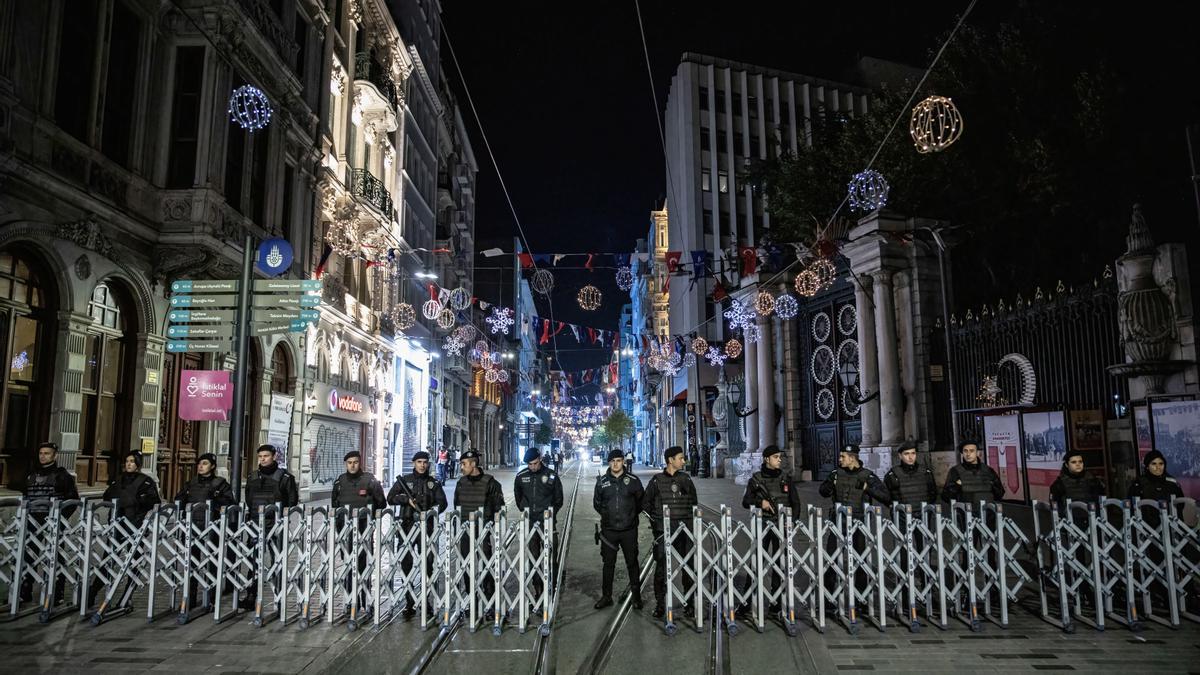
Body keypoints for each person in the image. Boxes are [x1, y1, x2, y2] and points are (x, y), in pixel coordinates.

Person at [740, 445, 801, 616]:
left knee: (781, 563)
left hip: (783, 525)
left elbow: (795, 502)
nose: (779, 459)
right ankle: (747, 600)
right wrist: (761, 504)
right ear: (767, 459)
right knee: (757, 562)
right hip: (764, 525)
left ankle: (777, 601)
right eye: (775, 457)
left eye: (780, 457)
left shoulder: (786, 478)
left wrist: (793, 522)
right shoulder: (756, 479)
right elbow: (746, 501)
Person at [388, 449, 447, 619]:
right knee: (406, 564)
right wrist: (406, 500)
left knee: (427, 564)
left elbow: (442, 503)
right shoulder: (405, 481)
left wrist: (430, 511)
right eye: (419, 462)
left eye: (425, 462)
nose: (422, 465)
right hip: (406, 526)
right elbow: (390, 497)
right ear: (414, 463)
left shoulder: (433, 483)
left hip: (426, 527)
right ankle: (409, 602)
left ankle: (426, 600)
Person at [240, 444, 299, 611]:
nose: (263, 459)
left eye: (266, 456)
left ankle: (279, 596)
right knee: (253, 561)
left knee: (277, 560)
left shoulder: (285, 477)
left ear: (274, 456)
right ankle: (251, 595)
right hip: (255, 524)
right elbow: (249, 500)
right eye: (260, 456)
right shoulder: (252, 477)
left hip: (276, 524)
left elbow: (291, 501)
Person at [642, 445, 698, 619]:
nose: (683, 461)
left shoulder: (686, 480)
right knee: (661, 569)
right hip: (663, 531)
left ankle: (689, 604)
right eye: (680, 458)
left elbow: (694, 503)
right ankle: (661, 605)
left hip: (685, 530)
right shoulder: (656, 481)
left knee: (688, 567)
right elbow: (645, 504)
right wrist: (657, 521)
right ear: (670, 460)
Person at [19, 442, 79, 604]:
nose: (43, 456)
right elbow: (24, 496)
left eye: (46, 453)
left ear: (55, 455)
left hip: (54, 521)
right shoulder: (31, 474)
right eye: (41, 453)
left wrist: (61, 517)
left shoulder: (62, 476)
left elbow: (73, 499)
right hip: (32, 520)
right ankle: (25, 591)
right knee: (28, 555)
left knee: (56, 557)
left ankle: (56, 593)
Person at [174, 452, 235, 609]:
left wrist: (215, 499)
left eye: (205, 463)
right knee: (191, 563)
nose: (201, 466)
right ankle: (191, 598)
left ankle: (212, 597)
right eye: (200, 463)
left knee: (212, 563)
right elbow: (179, 499)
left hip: (212, 528)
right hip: (192, 526)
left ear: (213, 466)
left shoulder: (220, 484)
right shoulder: (191, 483)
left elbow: (229, 503)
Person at [331, 450, 386, 614]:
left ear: (360, 462)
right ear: (345, 464)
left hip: (364, 529)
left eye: (355, 462)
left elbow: (381, 502)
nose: (352, 465)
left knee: (363, 565)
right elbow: (335, 505)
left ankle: (365, 599)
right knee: (348, 565)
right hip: (345, 530)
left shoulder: (369, 480)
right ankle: (350, 600)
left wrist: (368, 515)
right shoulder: (339, 482)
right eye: (349, 463)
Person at [453, 449, 506, 609]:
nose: (461, 467)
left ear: (473, 464)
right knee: (466, 565)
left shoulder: (491, 483)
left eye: (464, 464)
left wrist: (491, 525)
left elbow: (499, 508)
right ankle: (471, 598)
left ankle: (489, 599)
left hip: (483, 530)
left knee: (487, 563)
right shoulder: (461, 483)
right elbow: (457, 505)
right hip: (465, 530)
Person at [594, 449, 644, 610]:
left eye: (618, 460)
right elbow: (597, 503)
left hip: (629, 530)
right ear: (608, 463)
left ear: (623, 461)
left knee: (632, 563)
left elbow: (640, 502)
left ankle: (636, 597)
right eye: (612, 461)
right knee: (608, 564)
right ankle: (606, 596)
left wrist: (629, 516)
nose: (615, 464)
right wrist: (608, 516)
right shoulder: (602, 482)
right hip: (609, 531)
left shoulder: (633, 480)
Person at [514, 446, 564, 608]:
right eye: (530, 464)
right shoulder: (521, 477)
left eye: (535, 463)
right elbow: (518, 497)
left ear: (540, 459)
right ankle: (538, 590)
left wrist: (550, 513)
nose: (533, 467)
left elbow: (559, 499)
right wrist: (525, 510)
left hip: (547, 522)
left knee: (551, 554)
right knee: (533, 557)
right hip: (530, 523)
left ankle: (553, 586)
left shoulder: (551, 476)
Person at [818, 444, 890, 518]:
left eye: (843, 457)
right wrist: (830, 485)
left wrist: (867, 488)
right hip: (838, 518)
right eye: (840, 456)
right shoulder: (835, 474)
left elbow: (886, 498)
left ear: (852, 458)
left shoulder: (868, 476)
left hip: (859, 521)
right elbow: (823, 492)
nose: (840, 459)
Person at [102, 451, 162, 526]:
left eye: (132, 461)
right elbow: (107, 496)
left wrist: (136, 502)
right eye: (127, 461)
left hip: (136, 520)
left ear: (138, 463)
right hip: (115, 519)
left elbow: (154, 501)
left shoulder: (146, 481)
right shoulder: (118, 479)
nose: (128, 464)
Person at [940, 440, 1004, 508]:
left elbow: (1000, 494)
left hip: (988, 514)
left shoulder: (988, 471)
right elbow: (945, 496)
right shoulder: (955, 471)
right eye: (965, 451)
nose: (968, 454)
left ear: (978, 453)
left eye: (971, 451)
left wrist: (992, 486)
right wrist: (956, 486)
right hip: (965, 514)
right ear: (962, 453)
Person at [884, 442, 938, 508]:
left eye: (913, 453)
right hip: (902, 515)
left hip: (924, 514)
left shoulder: (926, 472)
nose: (910, 457)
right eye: (906, 454)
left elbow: (933, 494)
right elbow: (886, 497)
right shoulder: (892, 474)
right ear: (900, 456)